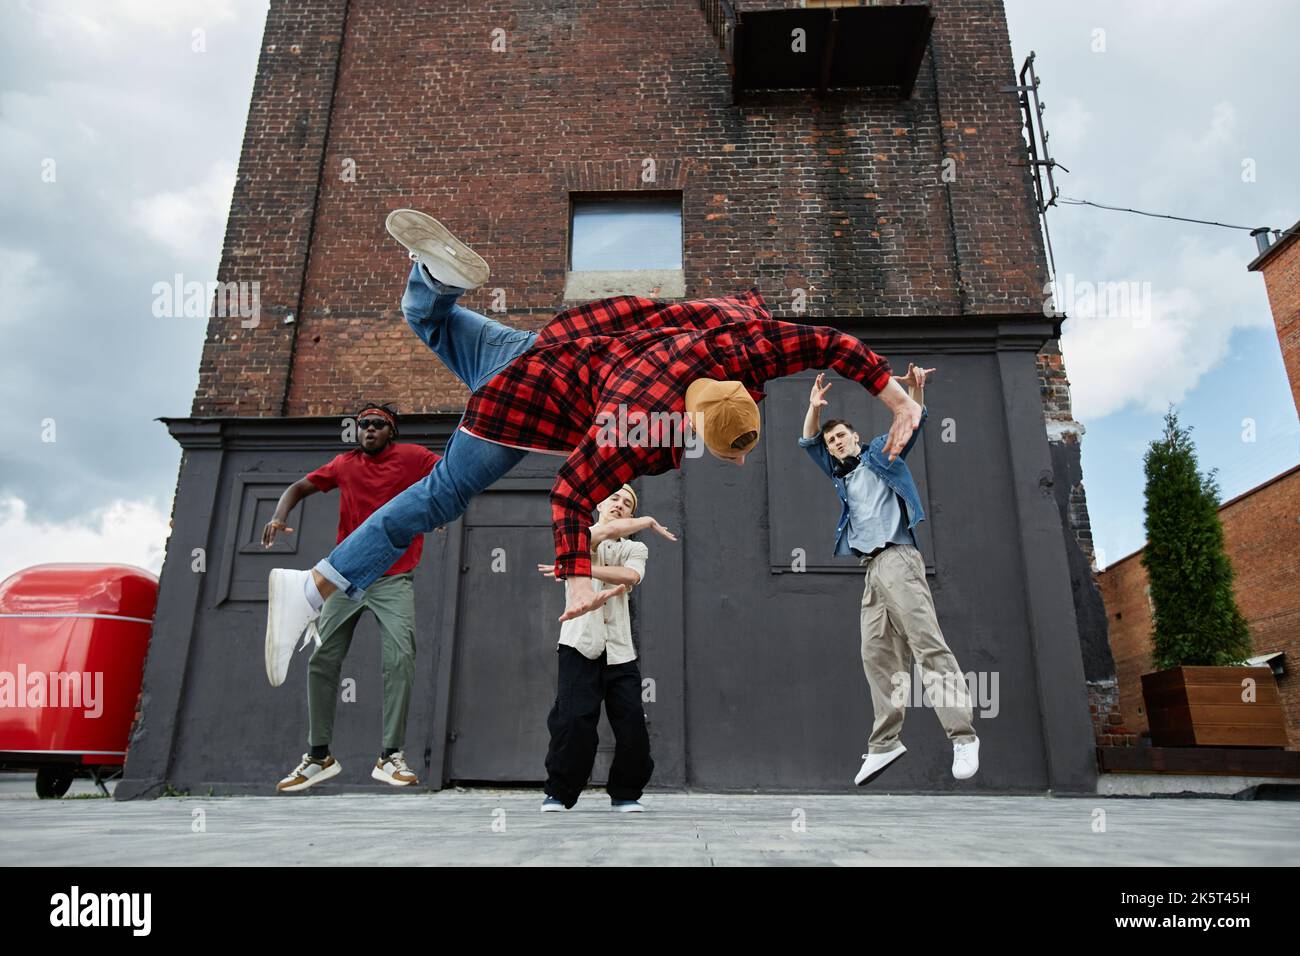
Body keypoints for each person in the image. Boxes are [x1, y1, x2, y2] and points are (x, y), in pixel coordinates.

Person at [264, 209, 922, 674]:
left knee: (426, 320)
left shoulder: (743, 342)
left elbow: (833, 343)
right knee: (439, 495)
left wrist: (894, 397)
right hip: (519, 405)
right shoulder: (642, 416)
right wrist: (577, 580)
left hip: (539, 347)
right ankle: (315, 586)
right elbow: (572, 490)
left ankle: (434, 277)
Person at [798, 368, 979, 785]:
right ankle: (885, 743)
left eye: (841, 435)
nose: (836, 442)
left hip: (899, 559)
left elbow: (911, 419)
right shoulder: (840, 475)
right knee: (876, 655)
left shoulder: (881, 454)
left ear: (856, 437)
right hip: (873, 570)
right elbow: (807, 441)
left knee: (926, 645)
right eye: (831, 440)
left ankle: (963, 735)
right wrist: (812, 408)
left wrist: (915, 389)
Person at [263, 403, 440, 792]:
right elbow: (299, 487)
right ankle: (318, 755)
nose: (369, 431)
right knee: (322, 658)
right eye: (363, 426)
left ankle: (390, 755)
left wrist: (438, 510)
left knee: (400, 656)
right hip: (345, 579)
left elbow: (448, 476)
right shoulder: (344, 464)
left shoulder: (412, 457)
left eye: (378, 425)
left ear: (391, 431)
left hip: (393, 578)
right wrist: (279, 515)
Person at [535, 484, 675, 813]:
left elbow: (629, 576)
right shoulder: (579, 533)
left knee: (632, 725)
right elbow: (606, 532)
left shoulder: (635, 550)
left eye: (628, 504)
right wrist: (648, 520)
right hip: (578, 643)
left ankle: (625, 794)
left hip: (620, 650)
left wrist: (576, 567)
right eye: (615, 498)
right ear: (599, 502)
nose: (621, 505)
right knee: (573, 721)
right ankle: (559, 792)